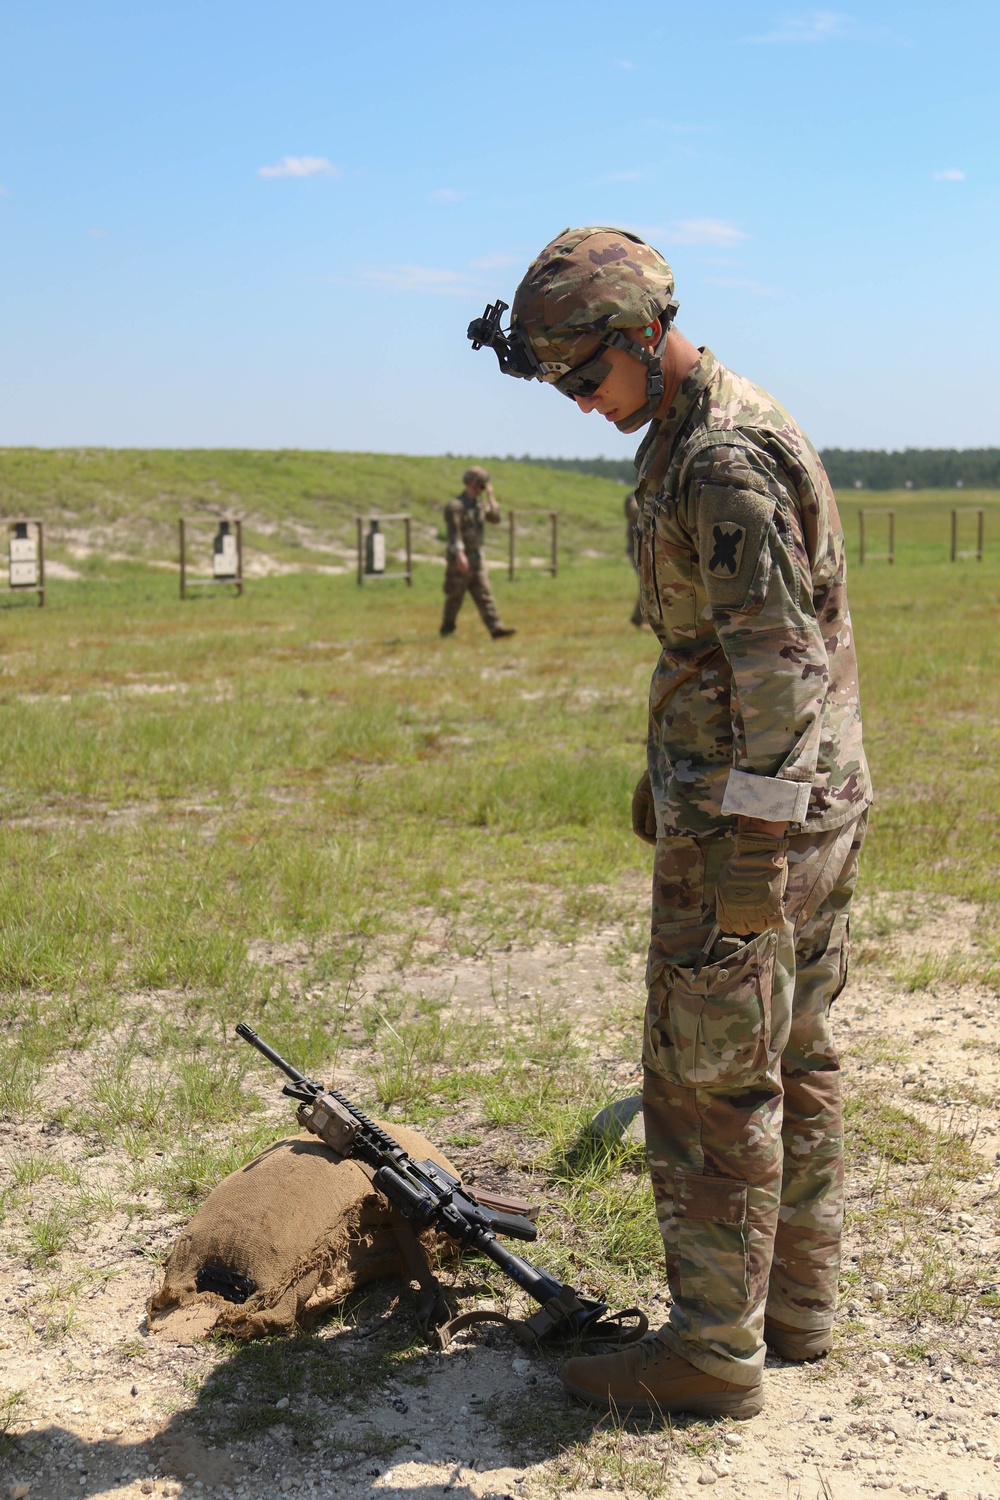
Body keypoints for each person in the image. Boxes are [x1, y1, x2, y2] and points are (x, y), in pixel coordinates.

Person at [467, 227, 871, 1419]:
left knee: (707, 1085)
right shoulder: (694, 433)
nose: (583, 406)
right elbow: (722, 651)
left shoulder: (718, 462)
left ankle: (710, 1352)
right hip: (799, 802)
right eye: (561, 388)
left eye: (588, 378)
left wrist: (744, 841)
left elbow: (778, 667)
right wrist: (676, 770)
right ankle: (793, 1312)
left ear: (646, 337)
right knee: (795, 1054)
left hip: (760, 826)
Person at [440, 466, 516, 639]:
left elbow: (496, 518)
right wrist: (460, 555)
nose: (481, 489)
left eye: (484, 486)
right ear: (470, 484)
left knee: (484, 594)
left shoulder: (479, 505)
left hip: (477, 558)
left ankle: (496, 629)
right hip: (460, 558)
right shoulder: (456, 506)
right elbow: (454, 533)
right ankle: (447, 629)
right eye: (480, 485)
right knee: (455, 596)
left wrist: (490, 496)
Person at [624, 489, 644, 626]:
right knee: (646, 583)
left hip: (647, 548)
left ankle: (640, 618)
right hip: (636, 549)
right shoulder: (632, 497)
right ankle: (640, 619)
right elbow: (634, 511)